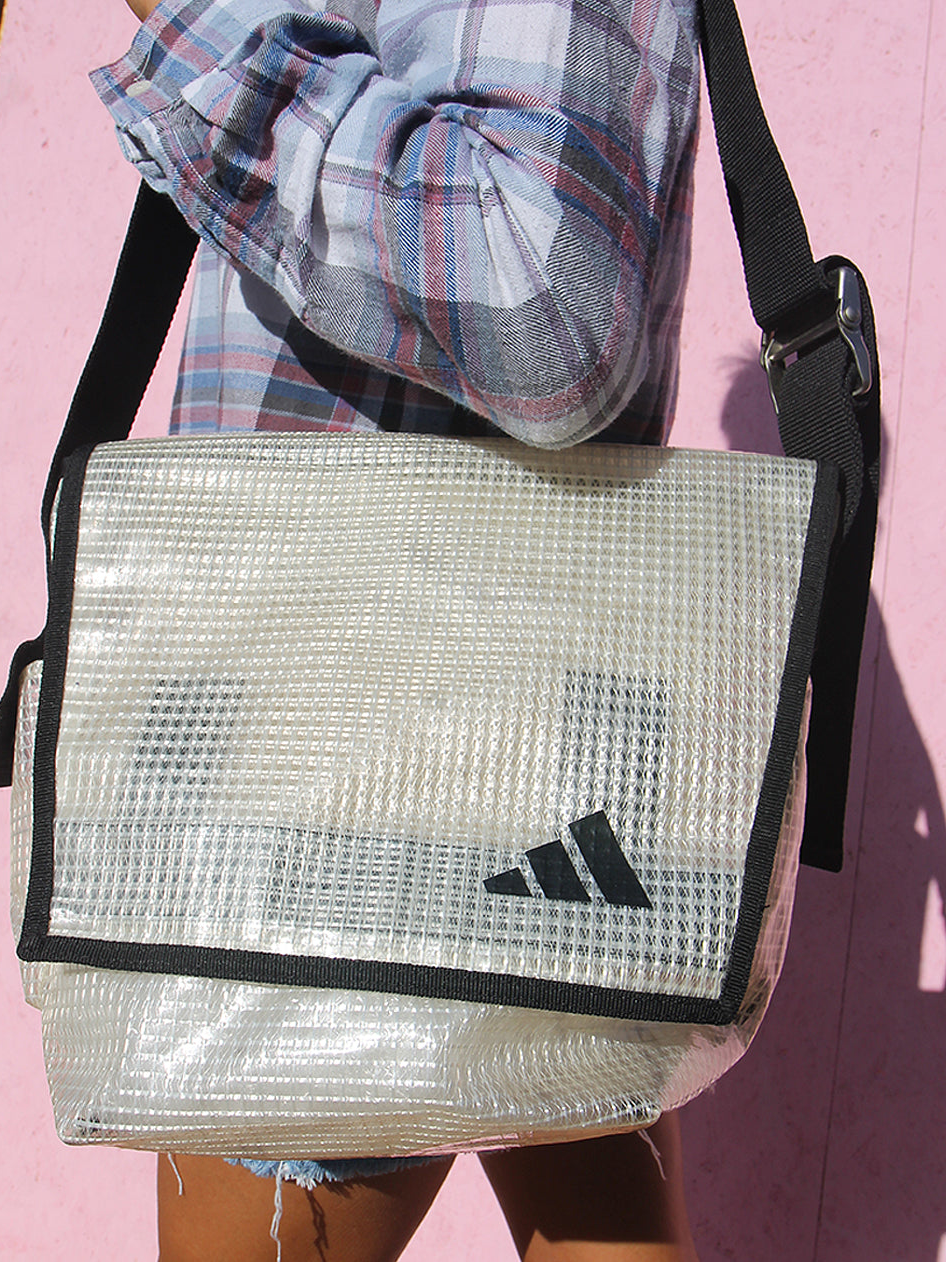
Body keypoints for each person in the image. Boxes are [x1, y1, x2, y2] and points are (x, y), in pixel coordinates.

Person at [92, 0, 702, 1255]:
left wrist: (208, 23)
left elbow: (543, 310)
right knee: (585, 1164)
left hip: (360, 747)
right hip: (456, 725)